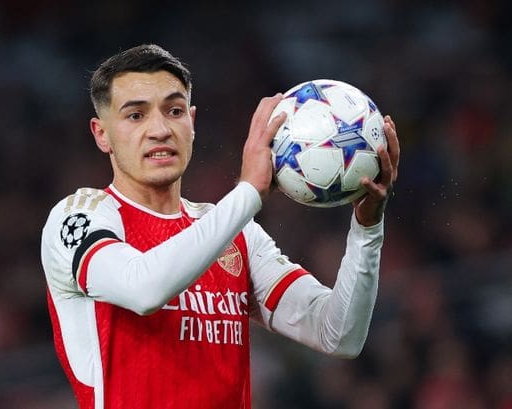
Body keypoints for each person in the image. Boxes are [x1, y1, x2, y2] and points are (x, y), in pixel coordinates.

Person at [40, 44, 400, 409]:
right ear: (102, 134)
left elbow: (339, 335)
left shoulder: (236, 234)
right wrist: (247, 194)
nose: (160, 129)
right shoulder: (80, 218)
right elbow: (143, 289)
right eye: (135, 116)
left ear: (192, 122)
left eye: (174, 111)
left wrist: (366, 230)